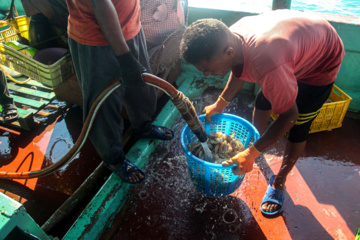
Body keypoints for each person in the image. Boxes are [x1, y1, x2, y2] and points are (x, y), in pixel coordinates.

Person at [180, 9, 344, 215]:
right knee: (264, 98)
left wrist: (250, 153)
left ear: (228, 52)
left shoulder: (268, 64)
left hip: (321, 61)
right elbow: (239, 68)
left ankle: (279, 183)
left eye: (209, 69)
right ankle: (256, 144)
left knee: (299, 125)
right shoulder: (231, 39)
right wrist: (221, 103)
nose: (206, 74)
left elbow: (289, 116)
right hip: (296, 44)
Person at [65, 0, 174, 184]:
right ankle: (114, 159)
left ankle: (143, 127)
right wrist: (124, 56)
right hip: (96, 39)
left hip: (131, 28)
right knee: (103, 104)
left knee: (141, 87)